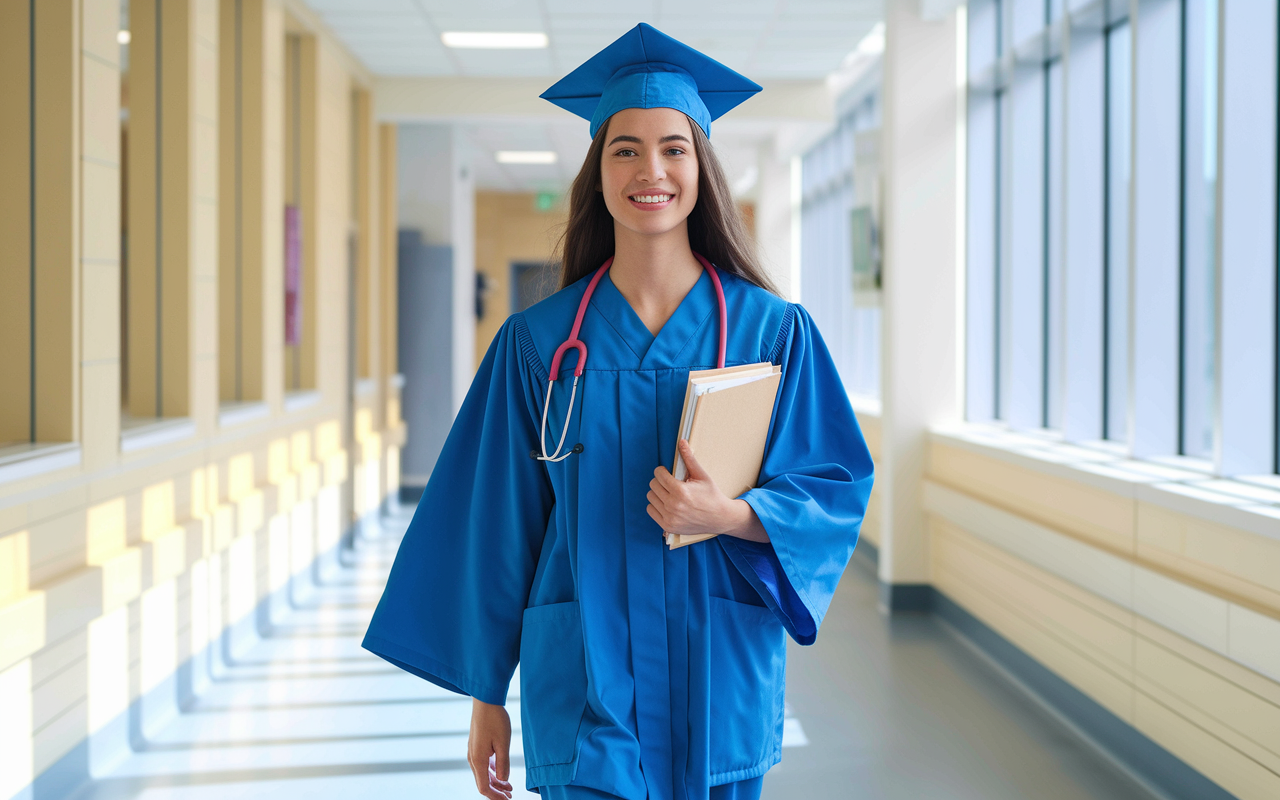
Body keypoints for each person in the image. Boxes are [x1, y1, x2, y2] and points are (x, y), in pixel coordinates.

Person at [362, 23, 874, 800]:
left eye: (673, 147)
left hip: (719, 671)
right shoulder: (538, 347)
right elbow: (497, 524)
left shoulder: (773, 332)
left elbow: (833, 486)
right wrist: (485, 694)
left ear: (700, 166)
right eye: (624, 148)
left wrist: (732, 516)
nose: (651, 169)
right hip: (586, 678)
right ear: (597, 172)